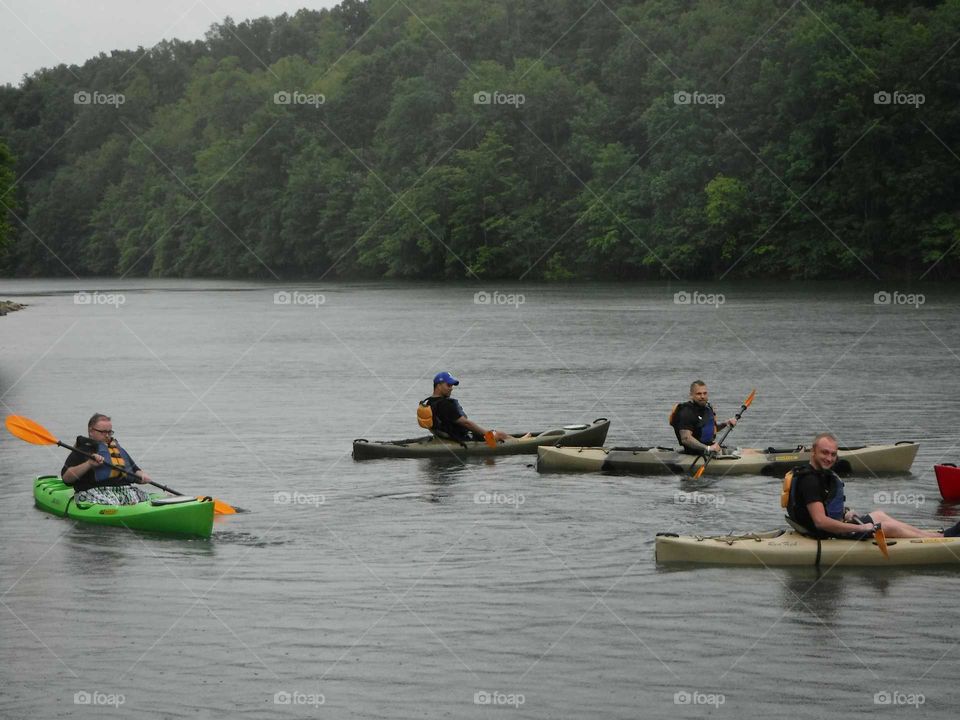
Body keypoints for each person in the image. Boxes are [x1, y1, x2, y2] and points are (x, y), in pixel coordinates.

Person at [785, 432, 960, 538]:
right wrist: (861, 527)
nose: (829, 458)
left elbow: (825, 507)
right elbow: (821, 522)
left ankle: (936, 535)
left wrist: (845, 514)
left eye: (832, 454)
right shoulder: (809, 481)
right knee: (887, 527)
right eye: (824, 453)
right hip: (823, 534)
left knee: (879, 514)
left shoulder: (817, 474)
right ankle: (940, 538)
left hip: (830, 527)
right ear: (813, 452)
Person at [61, 413, 153, 505]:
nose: (107, 436)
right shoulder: (83, 450)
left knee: (146, 498)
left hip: (123, 490)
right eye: (103, 432)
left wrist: (143, 476)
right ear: (91, 431)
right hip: (93, 492)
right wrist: (88, 464)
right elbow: (66, 478)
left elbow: (135, 470)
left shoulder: (116, 449)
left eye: (109, 432)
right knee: (112, 502)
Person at [417, 371, 511, 444]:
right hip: (461, 438)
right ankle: (520, 442)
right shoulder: (446, 404)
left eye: (452, 385)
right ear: (438, 386)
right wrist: (487, 433)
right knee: (500, 435)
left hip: (444, 437)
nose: (451, 388)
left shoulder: (429, 402)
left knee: (496, 434)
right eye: (448, 385)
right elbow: (467, 424)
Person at [670, 380, 738, 455]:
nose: (702, 396)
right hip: (694, 452)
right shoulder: (686, 412)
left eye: (705, 393)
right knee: (734, 453)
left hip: (709, 448)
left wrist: (726, 423)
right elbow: (686, 439)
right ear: (691, 395)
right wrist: (707, 448)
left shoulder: (707, 408)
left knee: (737, 451)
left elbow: (710, 429)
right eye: (699, 394)